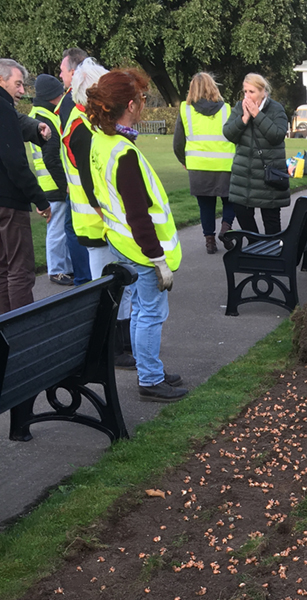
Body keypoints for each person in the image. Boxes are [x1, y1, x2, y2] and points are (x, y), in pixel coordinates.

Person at [85, 68, 187, 401]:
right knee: (151, 313)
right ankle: (150, 378)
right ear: (131, 105)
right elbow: (139, 215)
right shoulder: (124, 153)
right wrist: (159, 261)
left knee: (143, 310)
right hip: (141, 249)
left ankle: (150, 367)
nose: (143, 104)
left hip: (122, 243)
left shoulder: (102, 140)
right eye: (142, 99)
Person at [69, 58, 136, 369]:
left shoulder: (85, 124)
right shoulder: (82, 129)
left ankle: (120, 344)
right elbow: (91, 182)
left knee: (114, 286)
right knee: (108, 289)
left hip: (98, 223)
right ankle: (112, 348)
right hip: (97, 225)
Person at [0, 59, 51, 314]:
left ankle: (7, 331)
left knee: (2, 271)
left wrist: (34, 127)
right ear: (1, 80)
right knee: (20, 270)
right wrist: (39, 199)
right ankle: (24, 333)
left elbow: (16, 120)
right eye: (18, 84)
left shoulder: (6, 108)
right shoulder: (2, 107)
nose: (22, 90)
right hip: (9, 201)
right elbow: (14, 162)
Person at [174, 72, 235, 254]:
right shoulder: (227, 109)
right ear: (213, 87)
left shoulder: (185, 109)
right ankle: (226, 228)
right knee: (231, 201)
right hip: (225, 165)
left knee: (205, 206)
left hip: (198, 166)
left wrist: (184, 161)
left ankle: (209, 241)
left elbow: (178, 142)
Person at [222, 73, 290, 235]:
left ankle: (273, 254)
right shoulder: (239, 108)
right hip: (244, 178)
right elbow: (228, 134)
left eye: (251, 92)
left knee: (271, 223)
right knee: (242, 213)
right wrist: (244, 118)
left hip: (268, 177)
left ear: (263, 92)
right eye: (245, 92)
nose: (247, 96)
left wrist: (257, 115)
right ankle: (256, 248)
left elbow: (277, 135)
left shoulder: (276, 109)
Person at [28, 74, 73, 285]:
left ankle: (63, 267)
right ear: (53, 96)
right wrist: (65, 185)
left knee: (59, 228)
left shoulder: (40, 114)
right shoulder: (45, 118)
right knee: (57, 230)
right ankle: (57, 271)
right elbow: (51, 157)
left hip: (49, 182)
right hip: (54, 184)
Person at [56, 46, 92, 286]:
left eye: (62, 70)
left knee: (75, 230)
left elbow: (75, 145)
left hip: (79, 184)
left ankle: (83, 280)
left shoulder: (72, 100)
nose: (60, 75)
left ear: (73, 71)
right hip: (81, 181)